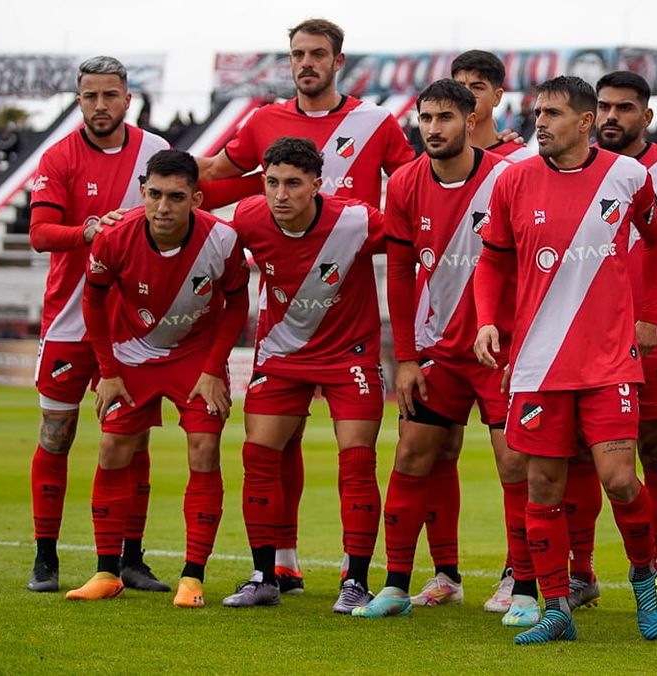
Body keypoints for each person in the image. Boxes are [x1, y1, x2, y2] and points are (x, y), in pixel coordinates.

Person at [196, 18, 414, 594]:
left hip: (350, 321)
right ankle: (273, 569)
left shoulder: (375, 123)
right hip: (285, 333)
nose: (306, 63)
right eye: (298, 54)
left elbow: (415, 191)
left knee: (356, 461)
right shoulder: (261, 125)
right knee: (266, 450)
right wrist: (143, 196)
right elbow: (215, 179)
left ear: (338, 60)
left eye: (318, 53)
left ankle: (356, 578)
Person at [473, 75, 657, 645]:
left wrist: (652, 310)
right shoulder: (512, 181)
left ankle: (645, 576)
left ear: (585, 122)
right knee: (542, 487)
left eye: (555, 114)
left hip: (610, 361)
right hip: (538, 364)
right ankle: (557, 607)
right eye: (538, 112)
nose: (541, 122)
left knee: (619, 478)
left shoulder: (628, 176)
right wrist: (489, 320)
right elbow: (492, 263)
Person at [553, 70, 657, 612]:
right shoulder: (567, 169)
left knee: (654, 451)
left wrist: (656, 290)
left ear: (646, 117)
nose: (611, 117)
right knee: (580, 456)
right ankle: (580, 572)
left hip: (653, 341)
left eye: (624, 108)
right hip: (579, 336)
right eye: (603, 107)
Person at [350, 79, 523, 618]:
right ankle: (402, 584)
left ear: (471, 121)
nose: (432, 128)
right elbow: (399, 272)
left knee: (514, 465)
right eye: (425, 118)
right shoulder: (403, 182)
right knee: (412, 455)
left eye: (444, 118)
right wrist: (404, 357)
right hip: (436, 352)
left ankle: (520, 580)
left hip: (501, 350)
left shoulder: (507, 177)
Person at [66, 150, 250, 607]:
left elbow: (237, 306)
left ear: (196, 199)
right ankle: (107, 571)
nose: (163, 206)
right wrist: (107, 372)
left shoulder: (223, 240)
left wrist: (212, 370)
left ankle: (193, 577)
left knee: (204, 449)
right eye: (153, 194)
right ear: (142, 193)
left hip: (196, 358)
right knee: (111, 448)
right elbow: (93, 301)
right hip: (131, 355)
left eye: (175, 196)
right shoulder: (113, 238)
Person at [218, 137, 386, 612]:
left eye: (293, 184)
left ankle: (355, 580)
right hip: (282, 353)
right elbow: (203, 234)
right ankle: (264, 575)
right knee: (258, 457)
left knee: (356, 463)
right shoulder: (250, 216)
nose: (281, 195)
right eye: (272, 183)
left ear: (317, 185)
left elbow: (420, 235)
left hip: (348, 355)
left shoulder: (356, 220)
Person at [25, 56, 170, 594]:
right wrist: (89, 231)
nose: (101, 105)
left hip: (134, 323)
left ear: (128, 98)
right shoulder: (59, 156)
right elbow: (40, 233)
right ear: (78, 99)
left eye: (111, 95)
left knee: (132, 443)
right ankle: (45, 556)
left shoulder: (154, 151)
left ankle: (131, 557)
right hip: (69, 321)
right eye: (91, 96)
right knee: (56, 435)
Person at [449, 49, 535, 613]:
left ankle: (519, 572)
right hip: (443, 339)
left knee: (516, 460)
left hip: (506, 337)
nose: (467, 95)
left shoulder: (522, 163)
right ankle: (443, 574)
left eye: (478, 86)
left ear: (498, 96)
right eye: (458, 85)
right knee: (426, 453)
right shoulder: (434, 159)